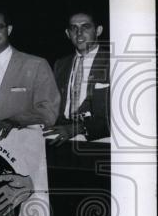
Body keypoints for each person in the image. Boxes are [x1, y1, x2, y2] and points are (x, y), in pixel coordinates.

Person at [0, 10, 60, 140]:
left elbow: (49, 111)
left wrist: (16, 121)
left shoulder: (36, 64)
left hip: (20, 145)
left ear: (9, 29)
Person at [45, 10, 110, 143]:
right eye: (74, 28)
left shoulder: (113, 62)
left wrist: (79, 128)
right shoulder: (60, 64)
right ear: (68, 34)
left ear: (98, 30)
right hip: (62, 137)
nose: (79, 33)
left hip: (100, 140)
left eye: (85, 27)